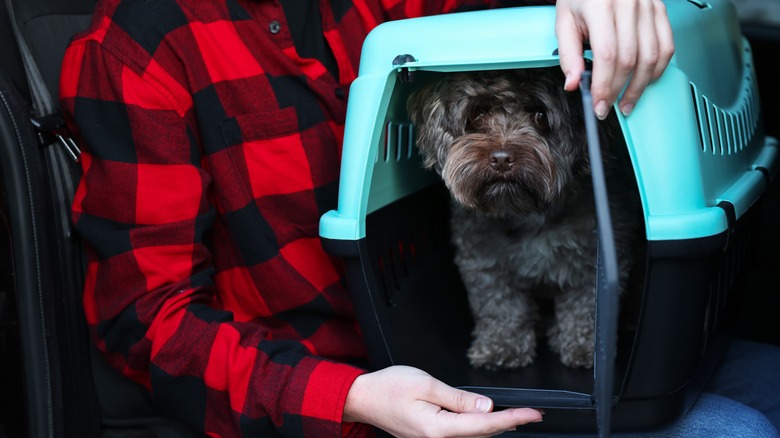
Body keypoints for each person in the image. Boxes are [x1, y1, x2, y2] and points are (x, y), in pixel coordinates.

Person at [58, 0, 776, 437]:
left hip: (445, 328)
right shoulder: (137, 45)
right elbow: (144, 317)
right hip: (342, 393)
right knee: (735, 431)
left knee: (769, 378)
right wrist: (347, 400)